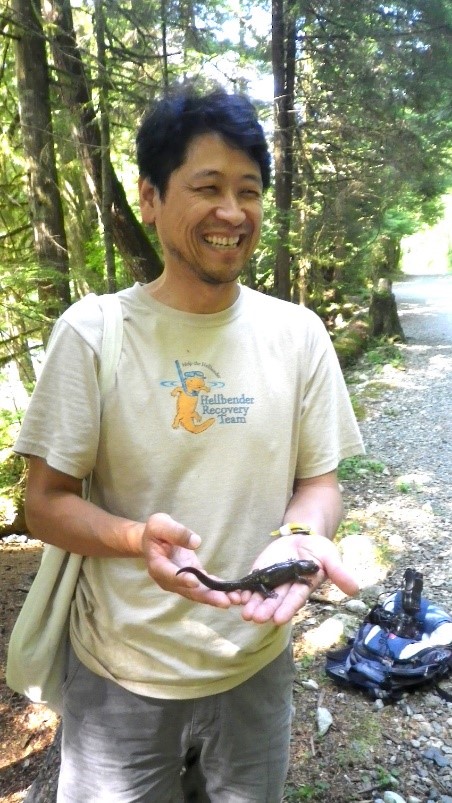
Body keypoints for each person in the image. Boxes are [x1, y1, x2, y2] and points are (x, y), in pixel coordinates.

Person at [14, 88, 365, 802]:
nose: (232, 212)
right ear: (149, 196)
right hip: (121, 680)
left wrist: (301, 536)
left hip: (255, 670)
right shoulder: (93, 333)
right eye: (207, 187)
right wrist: (136, 535)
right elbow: (44, 506)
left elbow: (320, 482)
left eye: (249, 191)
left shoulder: (298, 335)